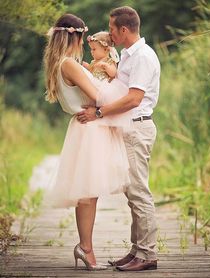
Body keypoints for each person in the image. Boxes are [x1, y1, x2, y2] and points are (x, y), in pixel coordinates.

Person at [43, 13, 131, 271]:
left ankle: (86, 247)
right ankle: (86, 248)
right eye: (83, 38)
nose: (84, 44)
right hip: (89, 127)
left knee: (89, 193)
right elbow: (98, 96)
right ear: (77, 36)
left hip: (88, 127)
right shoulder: (70, 64)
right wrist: (124, 89)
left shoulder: (70, 63)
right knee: (88, 194)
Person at [77, 6, 160, 271]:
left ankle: (147, 255)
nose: (109, 32)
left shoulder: (143, 57)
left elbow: (133, 99)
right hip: (126, 129)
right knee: (132, 193)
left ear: (123, 29)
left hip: (137, 127)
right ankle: (137, 250)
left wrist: (99, 112)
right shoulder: (127, 55)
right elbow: (119, 87)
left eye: (111, 28)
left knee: (139, 194)